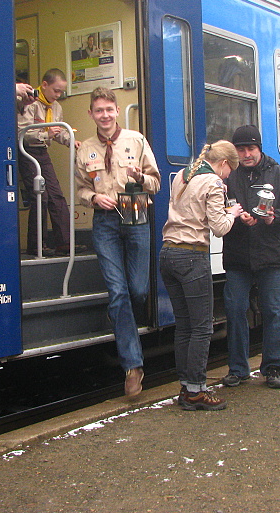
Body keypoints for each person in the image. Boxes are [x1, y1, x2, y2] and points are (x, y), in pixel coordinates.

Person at [75, 87, 161, 397]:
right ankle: (132, 366)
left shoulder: (136, 141)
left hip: (136, 216)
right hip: (105, 223)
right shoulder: (84, 149)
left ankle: (123, 326)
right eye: (99, 110)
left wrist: (140, 177)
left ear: (116, 109)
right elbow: (82, 190)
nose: (105, 115)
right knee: (118, 291)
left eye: (109, 109)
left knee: (137, 290)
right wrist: (94, 197)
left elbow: (156, 181)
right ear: (91, 114)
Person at [161, 142, 244, 411]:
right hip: (192, 257)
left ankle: (186, 387)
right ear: (223, 164)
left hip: (168, 254)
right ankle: (197, 391)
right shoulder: (213, 183)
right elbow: (219, 228)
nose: (227, 176)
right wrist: (232, 213)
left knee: (184, 326)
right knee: (202, 328)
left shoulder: (184, 175)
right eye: (229, 171)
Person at [221, 125, 280, 390]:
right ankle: (237, 369)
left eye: (250, 149)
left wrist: (273, 217)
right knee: (234, 311)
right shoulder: (227, 176)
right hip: (237, 256)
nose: (246, 154)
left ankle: (273, 368)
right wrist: (235, 216)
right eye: (240, 149)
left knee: (274, 312)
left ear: (259, 148)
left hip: (272, 255)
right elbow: (218, 208)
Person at [18, 69, 85, 257]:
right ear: (44, 85)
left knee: (56, 195)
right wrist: (46, 134)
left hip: (43, 152)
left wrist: (71, 140)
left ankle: (64, 243)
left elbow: (59, 131)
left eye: (61, 92)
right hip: (27, 152)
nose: (57, 95)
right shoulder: (29, 102)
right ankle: (36, 245)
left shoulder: (56, 108)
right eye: (55, 91)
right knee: (40, 197)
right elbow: (22, 133)